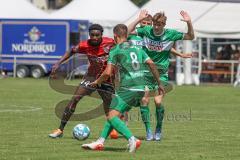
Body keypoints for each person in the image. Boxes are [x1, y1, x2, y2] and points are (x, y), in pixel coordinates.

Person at [82, 24, 165, 152]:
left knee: (111, 116)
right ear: (126, 35)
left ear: (115, 36)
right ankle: (100, 142)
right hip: (141, 88)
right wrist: (159, 83)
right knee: (114, 113)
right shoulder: (138, 49)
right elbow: (151, 64)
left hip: (128, 88)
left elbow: (107, 73)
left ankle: (132, 139)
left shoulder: (115, 50)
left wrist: (97, 82)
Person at [128, 10, 194, 141]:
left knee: (158, 102)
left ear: (164, 24)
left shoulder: (171, 34)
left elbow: (190, 37)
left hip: (161, 74)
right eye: (154, 24)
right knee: (144, 100)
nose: (156, 27)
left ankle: (158, 128)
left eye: (159, 25)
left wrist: (189, 23)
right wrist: (138, 19)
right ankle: (148, 131)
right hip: (145, 72)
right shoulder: (146, 31)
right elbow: (127, 31)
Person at [48, 24, 115, 138]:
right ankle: (60, 129)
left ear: (101, 35)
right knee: (75, 99)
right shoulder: (84, 45)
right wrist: (58, 63)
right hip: (90, 77)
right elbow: (71, 51)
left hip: (106, 78)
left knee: (108, 105)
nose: (94, 37)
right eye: (92, 35)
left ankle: (113, 128)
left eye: (97, 35)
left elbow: (123, 42)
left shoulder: (110, 42)